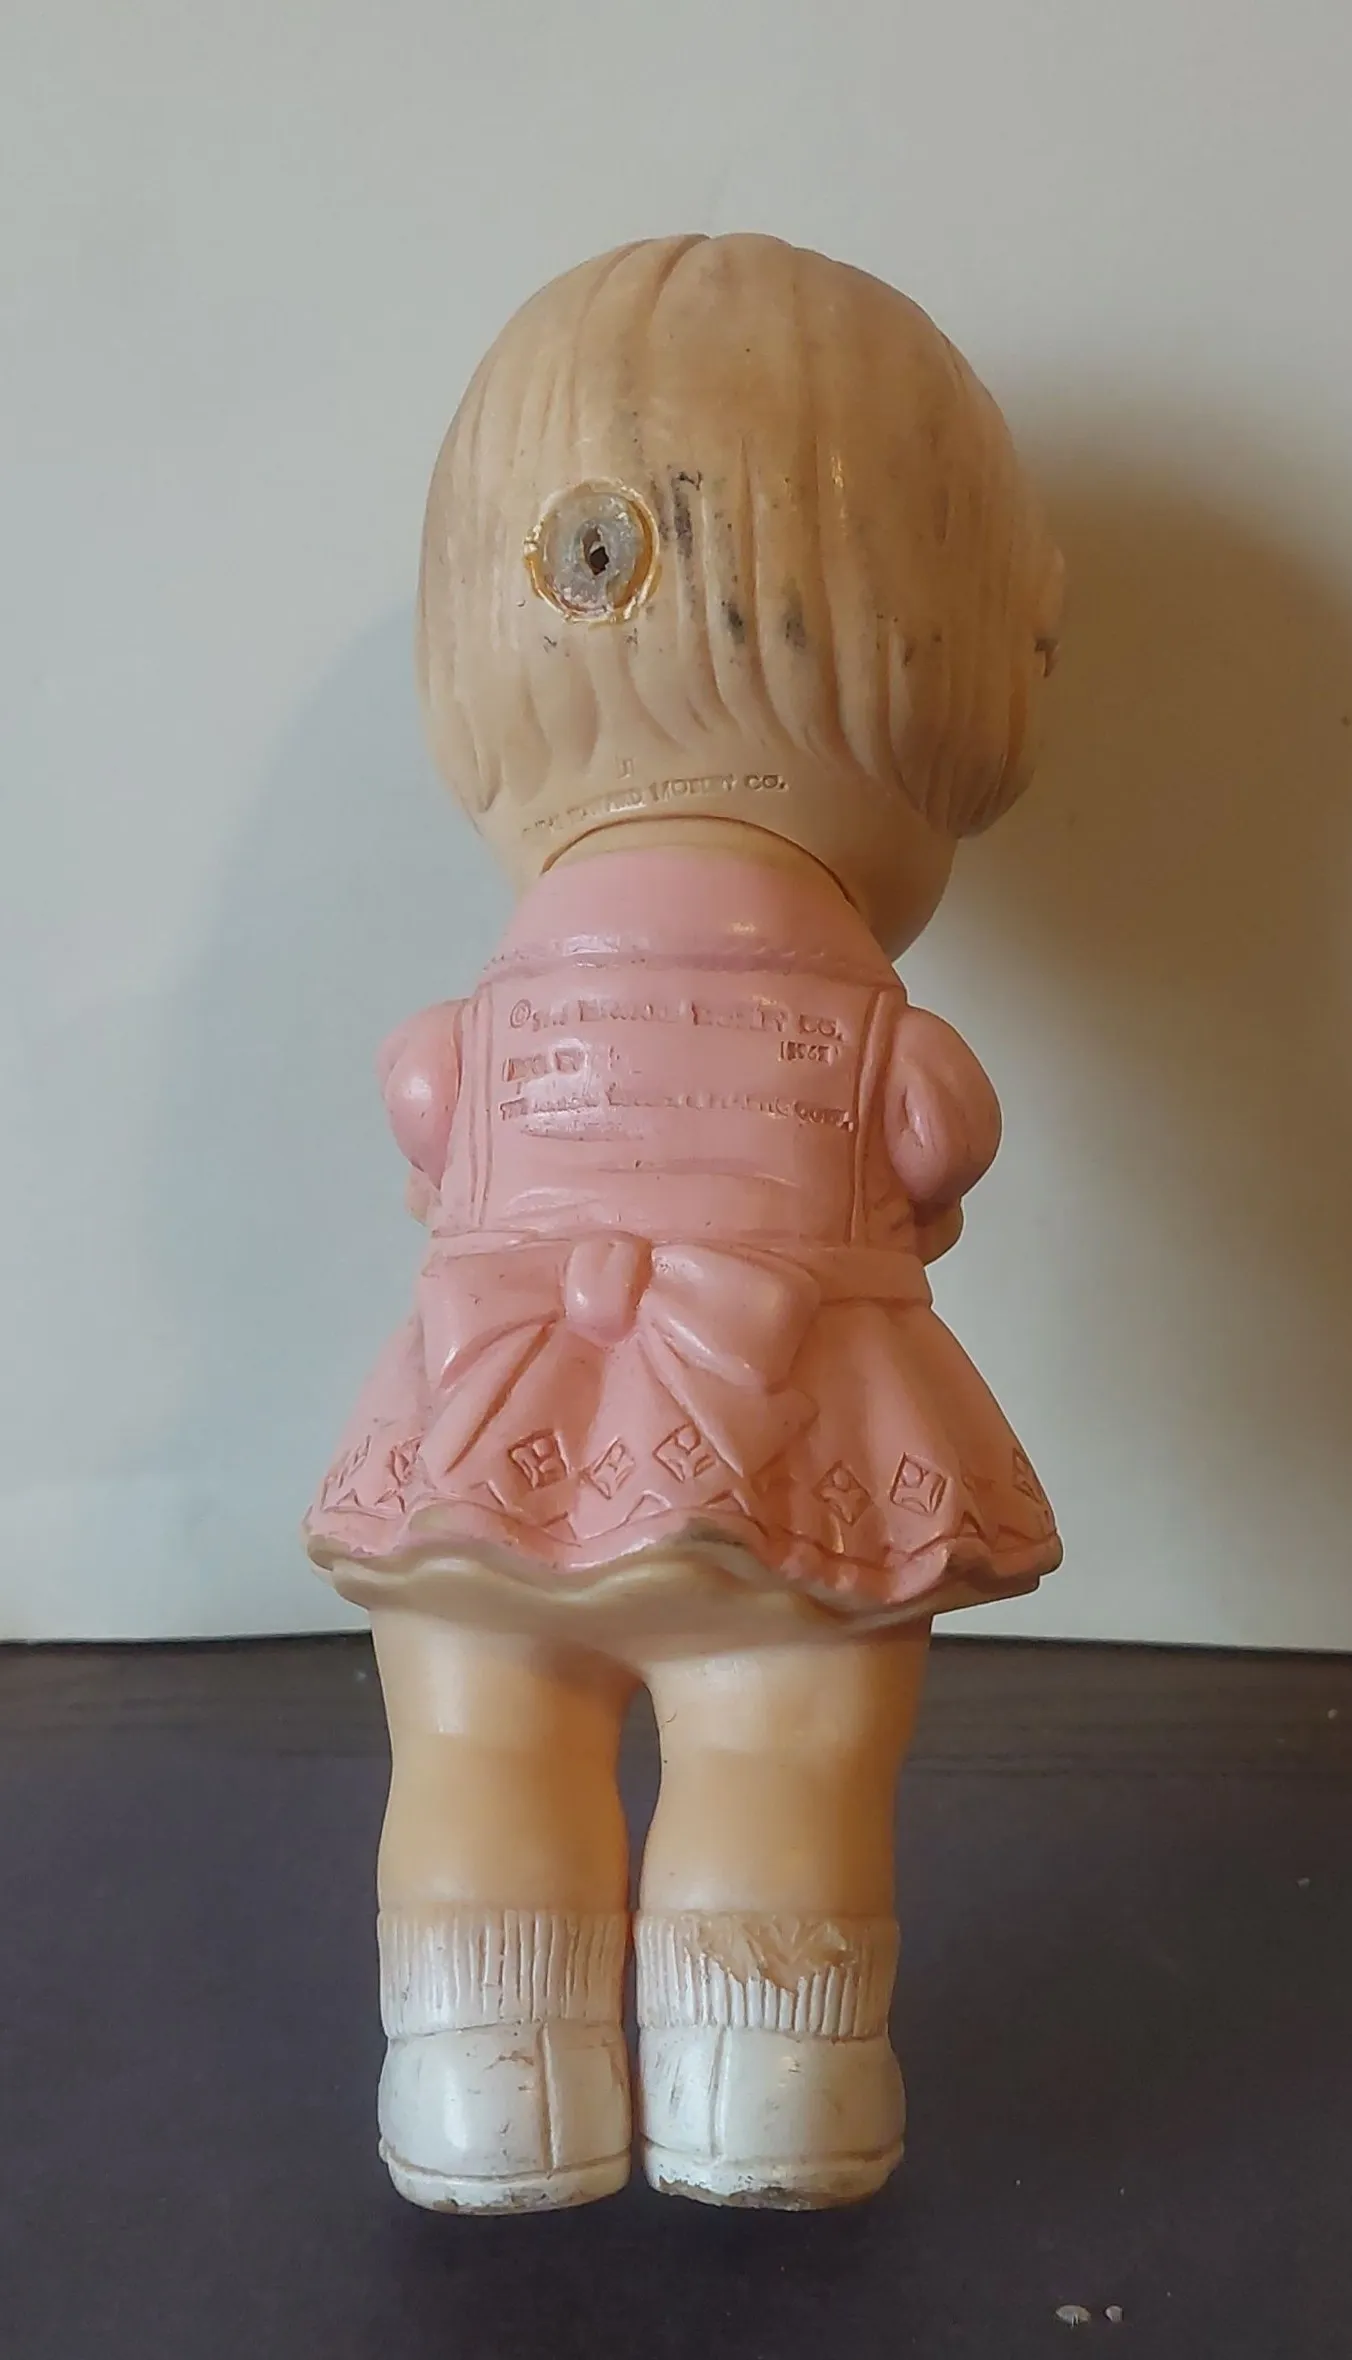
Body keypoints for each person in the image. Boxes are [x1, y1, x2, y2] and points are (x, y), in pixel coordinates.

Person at [306, 233, 1065, 2212]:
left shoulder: (453, 1044)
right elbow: (936, 1150)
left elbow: (425, 1132)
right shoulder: (892, 1042)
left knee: (472, 1746)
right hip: (783, 1468)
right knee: (785, 1753)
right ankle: (771, 2079)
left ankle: (482, 2072)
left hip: (485, 1466)